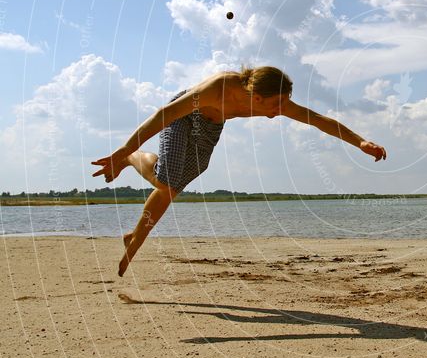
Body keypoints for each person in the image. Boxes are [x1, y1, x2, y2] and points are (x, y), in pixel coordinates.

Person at [92, 67, 387, 277]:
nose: (280, 110)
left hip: (212, 124)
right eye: (275, 104)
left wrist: (359, 141)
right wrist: (123, 149)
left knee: (177, 182)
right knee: (166, 178)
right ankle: (133, 158)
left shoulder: (276, 100)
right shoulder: (214, 90)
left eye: (283, 102)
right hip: (183, 117)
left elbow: (318, 119)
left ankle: (134, 236)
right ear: (255, 96)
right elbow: (162, 116)